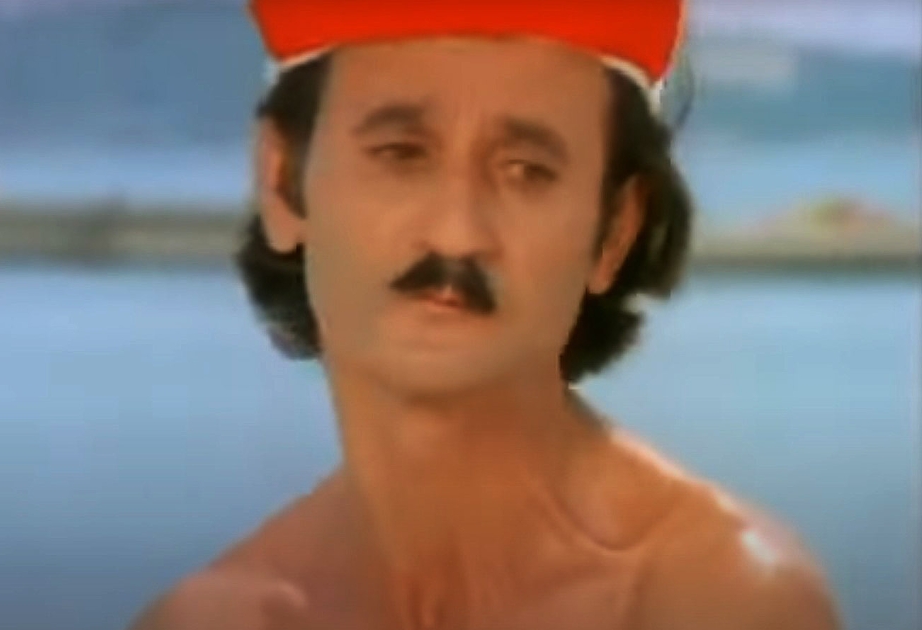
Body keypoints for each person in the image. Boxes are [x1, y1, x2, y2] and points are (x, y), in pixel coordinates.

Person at [129, 1, 841, 628]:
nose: (457, 233)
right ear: (283, 182)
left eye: (526, 170)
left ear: (615, 232)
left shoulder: (719, 603)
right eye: (401, 154)